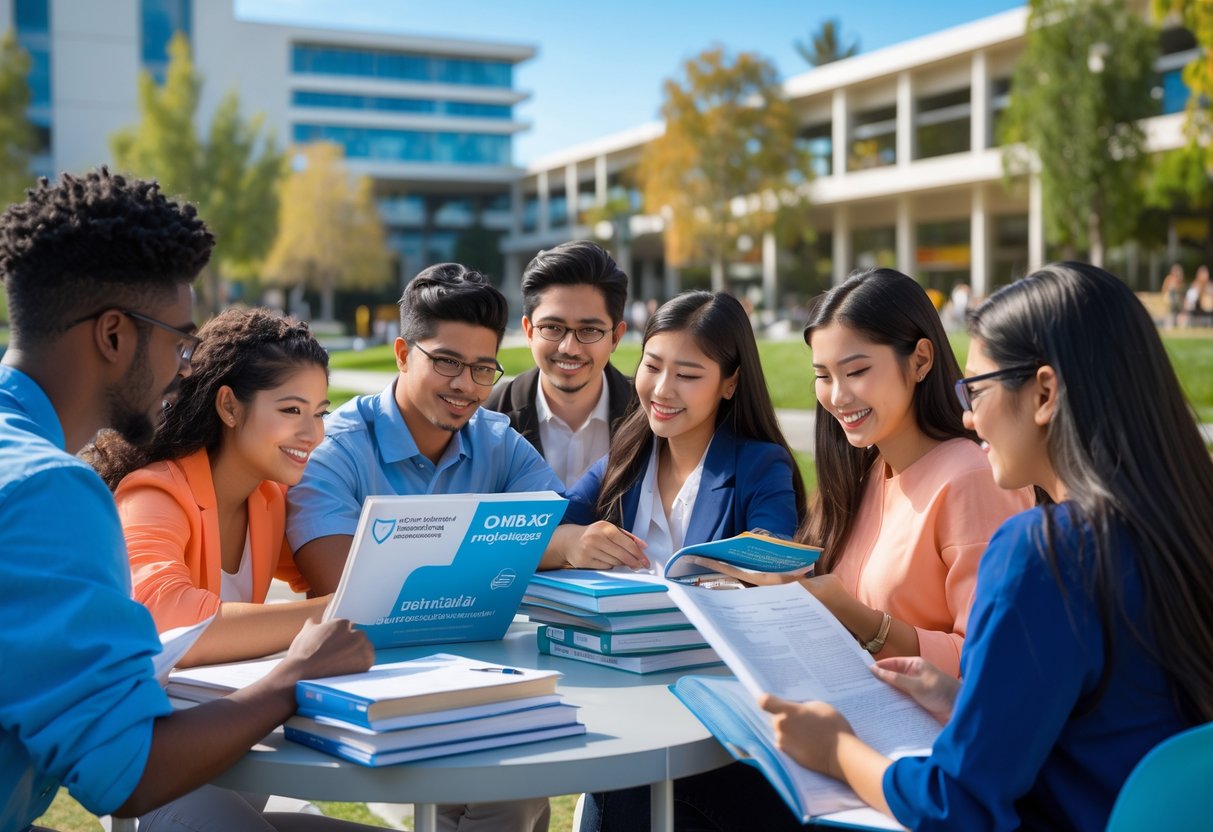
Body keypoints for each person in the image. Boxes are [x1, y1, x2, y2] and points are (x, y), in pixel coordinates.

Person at [762, 262, 1213, 831]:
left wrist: (835, 751)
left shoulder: (1046, 552)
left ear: (1044, 392)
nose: (970, 417)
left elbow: (957, 803)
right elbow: (1112, 722)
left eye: (976, 388)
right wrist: (966, 706)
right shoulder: (1177, 522)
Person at [0, 169, 373, 832]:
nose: (184, 369)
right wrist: (296, 673)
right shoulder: (50, 490)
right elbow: (128, 772)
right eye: (179, 341)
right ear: (114, 336)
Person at [287, 262, 561, 832]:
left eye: (483, 369)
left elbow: (552, 529)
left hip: (478, 676)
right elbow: (344, 588)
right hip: (368, 677)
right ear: (401, 352)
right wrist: (496, 549)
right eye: (447, 362)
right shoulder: (336, 447)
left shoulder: (496, 440)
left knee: (519, 788)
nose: (466, 385)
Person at [801, 268, 1032, 679]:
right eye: (823, 376)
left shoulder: (970, 478)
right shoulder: (865, 471)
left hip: (927, 732)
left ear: (921, 359)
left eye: (856, 372)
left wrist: (855, 615)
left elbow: (989, 657)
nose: (837, 396)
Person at [542, 290, 806, 573]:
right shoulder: (625, 459)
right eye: (652, 366)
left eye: (687, 375)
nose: (662, 390)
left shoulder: (760, 465)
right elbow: (532, 540)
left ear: (730, 383)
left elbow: (778, 560)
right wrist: (571, 542)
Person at [484, 241, 633, 488]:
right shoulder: (490, 419)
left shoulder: (648, 418)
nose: (569, 348)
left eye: (589, 330)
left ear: (616, 337)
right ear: (529, 331)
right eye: (552, 328)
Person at [1162, 263, 1184, 329]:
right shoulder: (1168, 278)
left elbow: (1180, 291)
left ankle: (1179, 324)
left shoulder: (1179, 280)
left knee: (1179, 309)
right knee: (1170, 311)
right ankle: (1168, 325)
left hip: (1176, 299)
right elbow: (1164, 290)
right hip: (1169, 298)